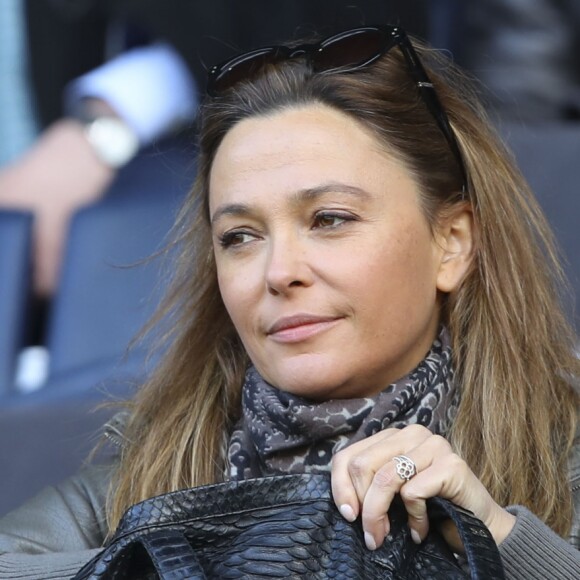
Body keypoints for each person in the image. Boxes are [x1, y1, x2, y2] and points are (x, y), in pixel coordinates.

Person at [0, 23, 579, 579]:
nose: (278, 273)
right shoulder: (152, 461)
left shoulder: (565, 445)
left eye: (329, 219)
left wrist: (498, 539)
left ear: (450, 244)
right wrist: (210, 550)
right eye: (240, 237)